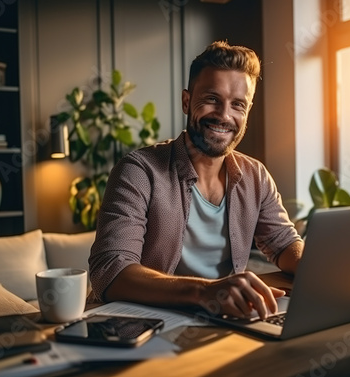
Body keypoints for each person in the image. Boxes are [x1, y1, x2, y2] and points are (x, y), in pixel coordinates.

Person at [89, 41, 304, 320]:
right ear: (187, 101)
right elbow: (110, 269)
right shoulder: (138, 171)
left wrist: (317, 266)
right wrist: (205, 292)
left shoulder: (256, 176)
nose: (224, 115)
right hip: (138, 325)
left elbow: (284, 244)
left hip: (221, 321)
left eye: (238, 105)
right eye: (212, 98)